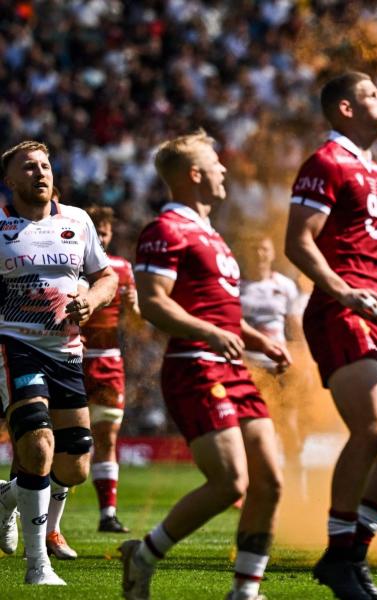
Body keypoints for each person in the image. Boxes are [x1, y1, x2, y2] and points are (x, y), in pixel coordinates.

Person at [120, 131, 289, 600]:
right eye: (216, 164)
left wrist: (262, 341)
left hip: (231, 366)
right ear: (195, 175)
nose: (224, 171)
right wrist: (212, 335)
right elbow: (153, 304)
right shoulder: (165, 230)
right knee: (230, 480)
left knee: (270, 480)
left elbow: (224, 314)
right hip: (195, 365)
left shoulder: (212, 235)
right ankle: (144, 555)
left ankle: (245, 592)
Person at [285, 71, 377, 600]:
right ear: (345, 109)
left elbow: (373, 238)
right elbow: (298, 242)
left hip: (375, 310)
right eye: (371, 94)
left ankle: (351, 552)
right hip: (337, 309)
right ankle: (341, 555)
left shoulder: (371, 169)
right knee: (371, 430)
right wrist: (344, 292)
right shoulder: (325, 162)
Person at [0, 140, 118, 585]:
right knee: (38, 446)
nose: (40, 173)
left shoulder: (78, 221)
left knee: (74, 468)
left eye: (45, 166)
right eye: (28, 167)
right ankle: (38, 566)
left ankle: (7, 498)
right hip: (14, 344)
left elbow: (106, 276)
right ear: (10, 180)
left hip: (66, 352)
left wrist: (90, 298)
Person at [81, 205, 140, 535]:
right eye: (96, 232)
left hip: (108, 360)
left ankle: (108, 513)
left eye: (105, 232)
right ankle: (42, 516)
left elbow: (137, 322)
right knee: (65, 440)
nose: (101, 237)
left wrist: (134, 307)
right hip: (70, 358)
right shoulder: (71, 264)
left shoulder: (121, 269)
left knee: (107, 437)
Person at [239, 237, 306, 499]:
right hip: (248, 365)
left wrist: (302, 357)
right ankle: (246, 488)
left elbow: (294, 325)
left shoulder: (285, 286)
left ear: (272, 252)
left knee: (289, 426)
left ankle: (298, 491)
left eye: (264, 248)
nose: (259, 254)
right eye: (254, 247)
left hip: (279, 366)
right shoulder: (237, 286)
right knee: (249, 428)